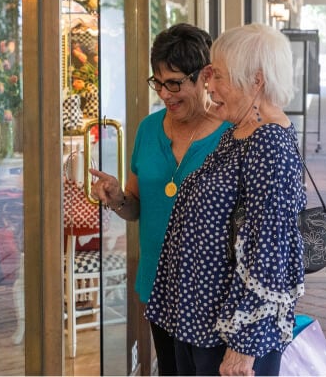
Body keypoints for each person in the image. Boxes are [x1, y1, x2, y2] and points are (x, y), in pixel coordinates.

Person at [144, 24, 306, 376]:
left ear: (257, 81)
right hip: (202, 323)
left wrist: (243, 348)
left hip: (229, 333)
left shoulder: (269, 143)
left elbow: (271, 251)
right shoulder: (240, 131)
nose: (209, 86)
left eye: (218, 76)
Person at [89, 23, 230, 375]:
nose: (165, 94)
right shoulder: (148, 129)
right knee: (169, 368)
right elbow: (136, 208)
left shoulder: (232, 133)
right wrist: (117, 198)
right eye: (158, 82)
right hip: (158, 283)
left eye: (175, 83)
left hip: (213, 289)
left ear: (205, 76)